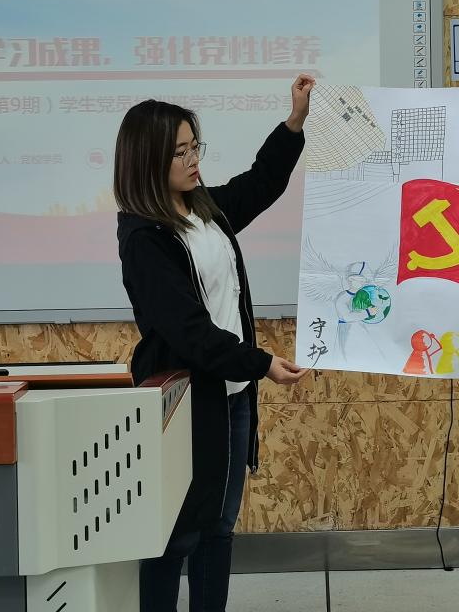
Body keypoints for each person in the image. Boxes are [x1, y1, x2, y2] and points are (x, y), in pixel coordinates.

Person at [114, 75, 314, 611]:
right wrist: (262, 362)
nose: (193, 159)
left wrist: (294, 122)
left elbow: (261, 183)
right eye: (180, 152)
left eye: (194, 146)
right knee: (177, 535)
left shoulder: (201, 209)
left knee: (218, 528)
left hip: (233, 395)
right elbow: (191, 334)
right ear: (148, 161)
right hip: (187, 402)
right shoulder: (144, 237)